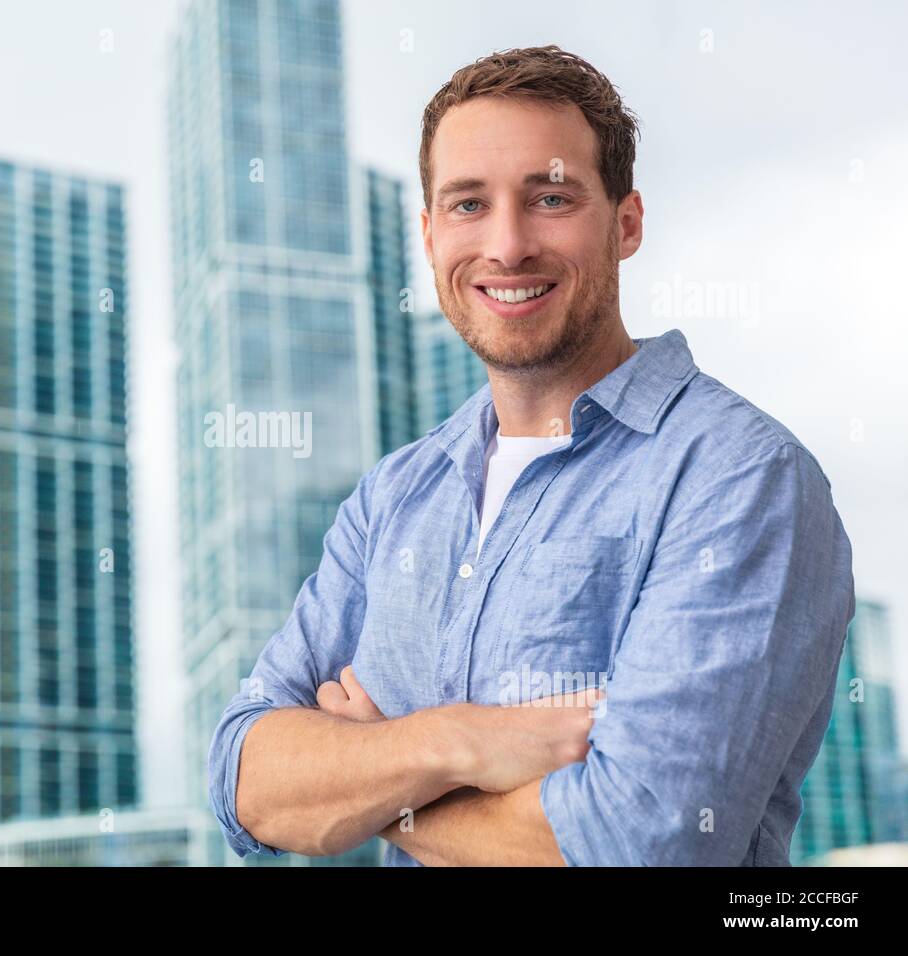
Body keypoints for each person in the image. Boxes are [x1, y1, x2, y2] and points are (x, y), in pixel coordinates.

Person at [206, 45, 855, 866]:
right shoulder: (394, 498)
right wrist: (455, 743)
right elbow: (241, 777)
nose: (507, 246)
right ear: (429, 233)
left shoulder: (738, 478)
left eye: (550, 198)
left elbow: (642, 842)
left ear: (626, 223)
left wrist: (375, 793)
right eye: (469, 204)